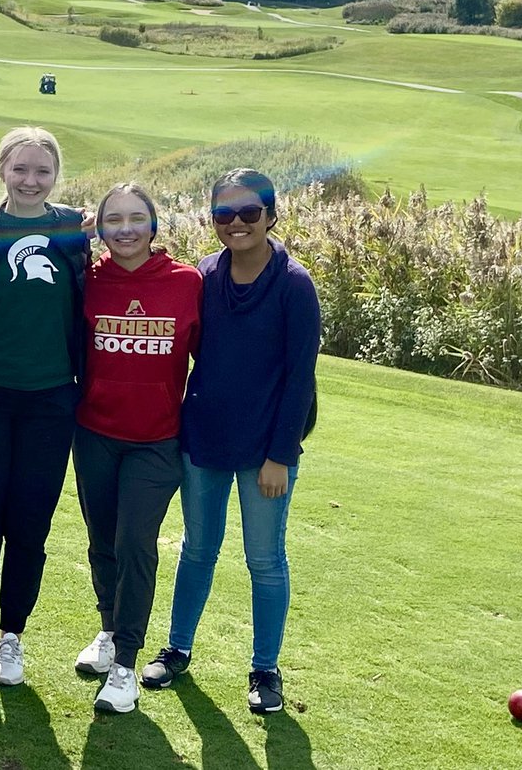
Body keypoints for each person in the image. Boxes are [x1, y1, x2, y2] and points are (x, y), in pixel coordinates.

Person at [140, 168, 320, 714]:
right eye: (224, 213)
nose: (236, 223)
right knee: (197, 549)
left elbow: (300, 379)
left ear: (271, 216)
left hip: (266, 451)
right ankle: (177, 649)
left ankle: (265, 669)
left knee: (264, 560)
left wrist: (280, 456)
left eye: (249, 212)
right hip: (204, 440)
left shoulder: (294, 284)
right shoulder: (205, 274)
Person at [0, 126, 90, 686]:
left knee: (30, 523)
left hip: (51, 400)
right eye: (20, 168)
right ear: (2, 170)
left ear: (55, 177)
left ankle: (12, 639)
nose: (30, 180)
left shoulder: (73, 230)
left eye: (42, 171)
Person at [70, 183, 202, 713]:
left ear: (154, 225)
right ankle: (108, 630)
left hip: (157, 441)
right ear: (100, 228)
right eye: (114, 220)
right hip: (94, 434)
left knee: (135, 544)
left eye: (136, 218)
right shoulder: (87, 279)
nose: (125, 229)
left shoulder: (186, 283)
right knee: (102, 540)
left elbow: (211, 360)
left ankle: (125, 664)